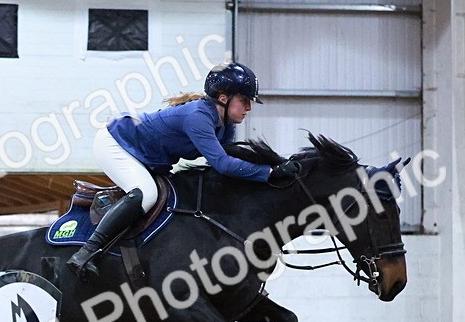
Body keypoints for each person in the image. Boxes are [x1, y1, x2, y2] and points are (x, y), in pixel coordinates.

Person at [67, 61, 297, 279]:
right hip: (116, 143)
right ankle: (86, 252)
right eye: (244, 100)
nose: (249, 108)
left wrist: (276, 166)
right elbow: (223, 164)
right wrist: (268, 173)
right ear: (223, 98)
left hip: (145, 158)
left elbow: (233, 163)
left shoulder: (225, 125)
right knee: (146, 194)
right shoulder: (198, 117)